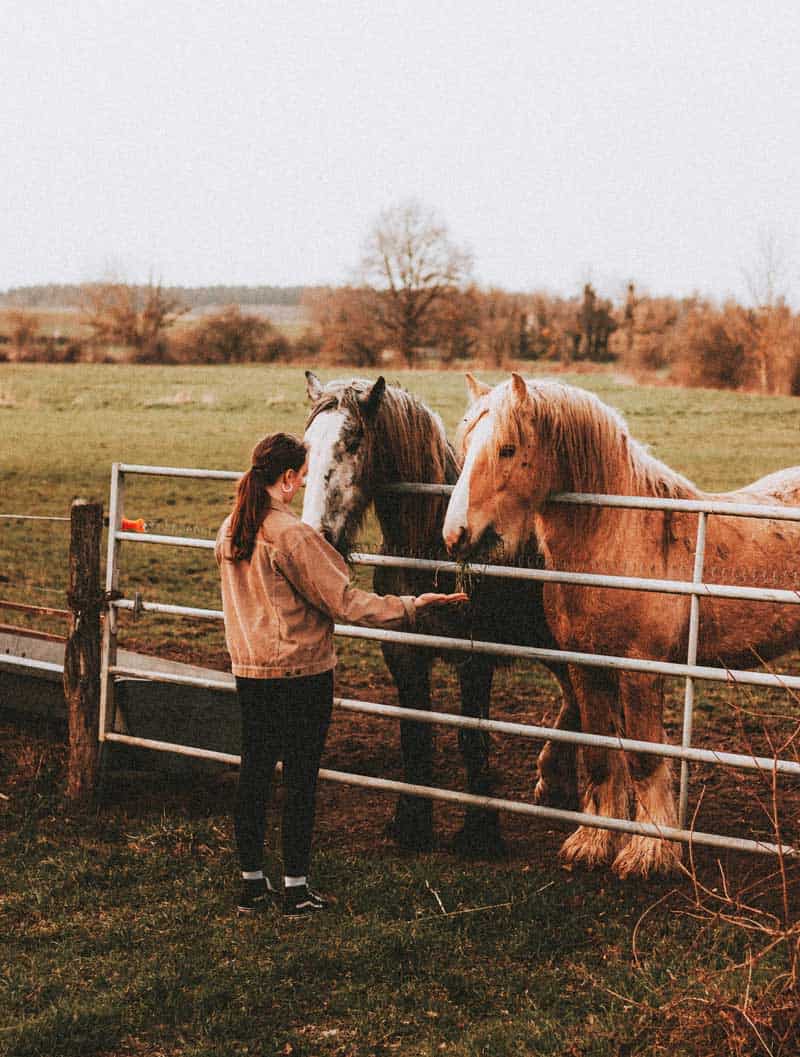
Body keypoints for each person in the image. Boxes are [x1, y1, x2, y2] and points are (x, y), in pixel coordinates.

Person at [215, 432, 467, 917]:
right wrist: (414, 605)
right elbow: (347, 603)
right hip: (302, 674)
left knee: (254, 773)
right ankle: (295, 888)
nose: (306, 484)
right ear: (287, 480)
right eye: (304, 477)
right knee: (301, 781)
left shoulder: (230, 529)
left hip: (250, 671)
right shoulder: (292, 536)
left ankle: (251, 884)